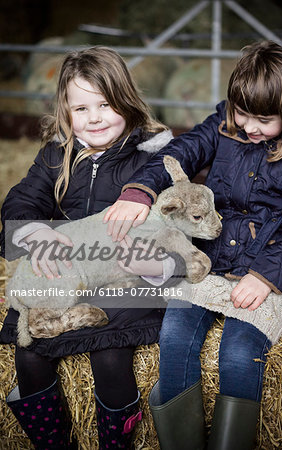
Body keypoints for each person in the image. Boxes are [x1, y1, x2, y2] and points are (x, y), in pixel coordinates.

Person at [103, 41, 282, 449]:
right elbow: (181, 151)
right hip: (209, 259)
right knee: (174, 337)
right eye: (242, 112)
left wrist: (267, 276)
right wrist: (139, 190)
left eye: (264, 119)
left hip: (269, 268)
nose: (249, 126)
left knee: (238, 355)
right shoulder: (223, 124)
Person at [0, 46, 186, 449]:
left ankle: (113, 443)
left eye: (105, 104)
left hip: (130, 283)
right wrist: (34, 232)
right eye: (80, 108)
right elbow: (22, 200)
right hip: (72, 273)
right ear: (65, 111)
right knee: (27, 344)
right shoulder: (57, 153)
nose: (95, 117)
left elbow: (180, 230)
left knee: (110, 353)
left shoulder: (151, 160)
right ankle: (53, 442)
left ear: (127, 101)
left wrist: (159, 267)